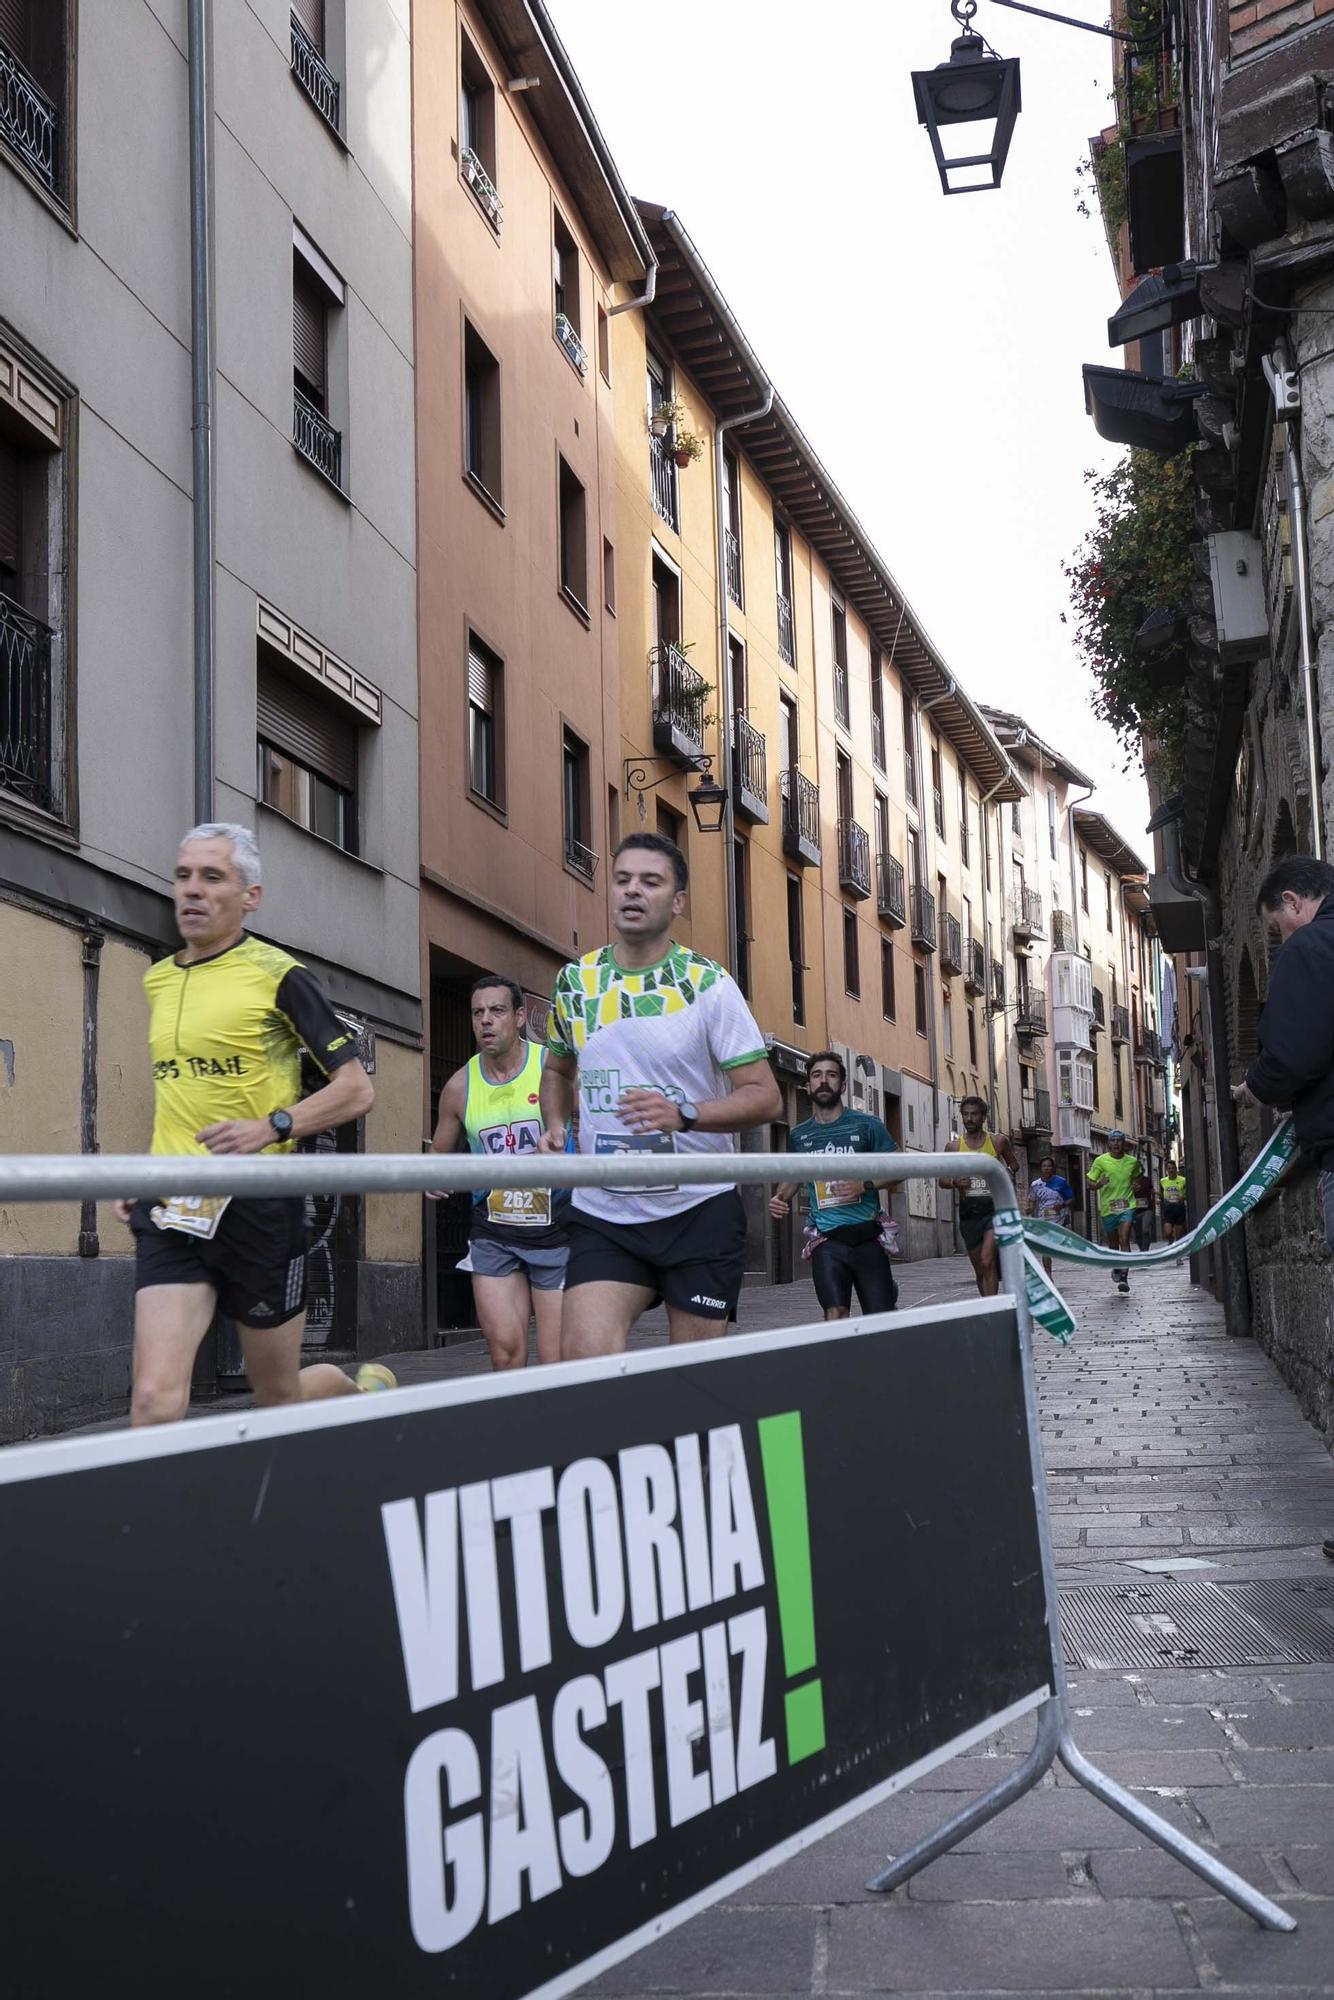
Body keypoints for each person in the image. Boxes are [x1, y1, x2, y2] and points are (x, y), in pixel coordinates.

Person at [119, 824, 392, 1426]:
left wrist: (273, 1126)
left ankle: (353, 1395)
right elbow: (180, 1094)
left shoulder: (280, 975)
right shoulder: (158, 979)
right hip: (175, 1204)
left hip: (261, 1206)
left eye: (212, 877)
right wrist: (145, 1171)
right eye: (183, 875)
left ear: (251, 897)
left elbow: (356, 1089)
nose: (192, 890)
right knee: (153, 1399)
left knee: (276, 1399)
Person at [539, 832, 782, 1358]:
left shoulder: (708, 984)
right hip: (605, 1212)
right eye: (623, 879)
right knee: (582, 1364)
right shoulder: (575, 982)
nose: (632, 891)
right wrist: (555, 1125)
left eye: (650, 882)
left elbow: (765, 1096)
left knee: (689, 1380)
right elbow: (556, 1070)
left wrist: (685, 1114)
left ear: (677, 902)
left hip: (698, 1209)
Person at [1230, 854, 1334, 1564]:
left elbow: (1293, 1054)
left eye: (1275, 926)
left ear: (1295, 902)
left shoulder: (1311, 949)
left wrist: (1257, 1085)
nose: (1280, 939)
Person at [427, 974, 567, 1369]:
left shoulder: (552, 1069)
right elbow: (438, 1157)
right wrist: (434, 1179)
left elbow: (593, 1130)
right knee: (505, 1352)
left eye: (497, 1011)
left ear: (520, 1017)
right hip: (495, 1231)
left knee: (558, 1361)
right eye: (478, 1013)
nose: (486, 1020)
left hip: (558, 1229)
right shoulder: (460, 1087)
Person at [767, 1051, 900, 1320]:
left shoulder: (867, 1126)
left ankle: (886, 1296)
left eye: (831, 1075)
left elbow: (900, 1168)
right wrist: (779, 1198)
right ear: (808, 1086)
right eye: (817, 1075)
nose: (824, 1081)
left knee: (880, 1319)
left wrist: (864, 1185)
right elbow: (794, 1175)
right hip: (827, 1240)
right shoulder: (799, 1135)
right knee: (835, 1314)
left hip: (866, 1236)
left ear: (843, 1085)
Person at [940, 1095, 1020, 1296]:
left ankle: (992, 1309)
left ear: (983, 1117)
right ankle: (987, 1304)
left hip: (993, 1210)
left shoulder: (998, 1141)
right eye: (965, 1114)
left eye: (974, 1114)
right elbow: (942, 1180)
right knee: (980, 1269)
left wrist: (1003, 1174)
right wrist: (955, 1182)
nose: (969, 1119)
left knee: (987, 1260)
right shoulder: (953, 1147)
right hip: (969, 1213)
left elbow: (1014, 1164)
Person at [1087, 1130, 1139, 1293]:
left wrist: (1136, 1185)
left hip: (1127, 1206)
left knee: (1124, 1239)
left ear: (1124, 1143)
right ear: (1108, 1143)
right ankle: (1117, 1265)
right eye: (1113, 1140)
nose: (1116, 1143)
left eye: (1119, 1140)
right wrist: (1099, 1184)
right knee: (1113, 1244)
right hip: (1108, 1208)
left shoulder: (1133, 1161)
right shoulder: (1100, 1161)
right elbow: (1090, 1183)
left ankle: (1124, 1276)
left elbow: (1136, 1177)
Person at [1025, 1154, 1074, 1278]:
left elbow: (1071, 1199)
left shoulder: (1061, 1182)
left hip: (1059, 1219)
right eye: (1044, 1166)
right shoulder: (1035, 1185)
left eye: (1049, 1166)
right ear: (1040, 1168)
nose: (1046, 1168)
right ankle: (1048, 1275)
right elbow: (1032, 1202)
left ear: (1053, 1168)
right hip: (1044, 1219)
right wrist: (1030, 1209)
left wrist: (1062, 1205)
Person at [1160, 1158, 1188, 1244]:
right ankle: (1171, 1242)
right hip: (1168, 1210)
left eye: (1173, 1168)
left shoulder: (1183, 1180)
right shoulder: (1163, 1181)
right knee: (1168, 1233)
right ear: (1166, 1170)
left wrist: (1183, 1197)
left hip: (1179, 1210)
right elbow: (1161, 1194)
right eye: (1169, 1168)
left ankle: (1177, 1249)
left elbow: (1188, 1193)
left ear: (1176, 1169)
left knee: (1179, 1235)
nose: (1171, 1170)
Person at [1130, 1169, 1155, 1252]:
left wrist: (1154, 1201)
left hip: (1147, 1209)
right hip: (1135, 1210)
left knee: (1145, 1230)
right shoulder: (1130, 1181)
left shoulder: (1147, 1180)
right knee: (1137, 1233)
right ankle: (1142, 1250)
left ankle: (1145, 1250)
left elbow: (1152, 1191)